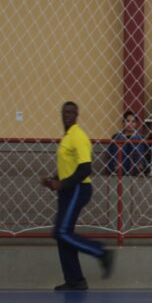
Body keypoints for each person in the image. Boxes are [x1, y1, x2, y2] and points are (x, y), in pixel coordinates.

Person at [40, 102, 115, 291]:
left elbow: (85, 169)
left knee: (61, 232)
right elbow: (69, 166)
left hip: (78, 189)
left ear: (77, 115)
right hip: (67, 190)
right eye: (65, 112)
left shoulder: (78, 136)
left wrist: (62, 184)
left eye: (71, 112)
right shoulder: (66, 138)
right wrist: (54, 179)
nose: (67, 115)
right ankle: (75, 280)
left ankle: (101, 252)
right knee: (63, 235)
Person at [105, 110, 147, 175]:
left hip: (134, 166)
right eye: (128, 121)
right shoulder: (116, 136)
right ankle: (116, 168)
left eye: (133, 122)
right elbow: (110, 152)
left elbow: (145, 152)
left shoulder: (141, 137)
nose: (130, 124)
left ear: (136, 124)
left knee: (136, 138)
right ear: (123, 122)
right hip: (121, 166)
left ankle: (139, 168)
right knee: (120, 138)